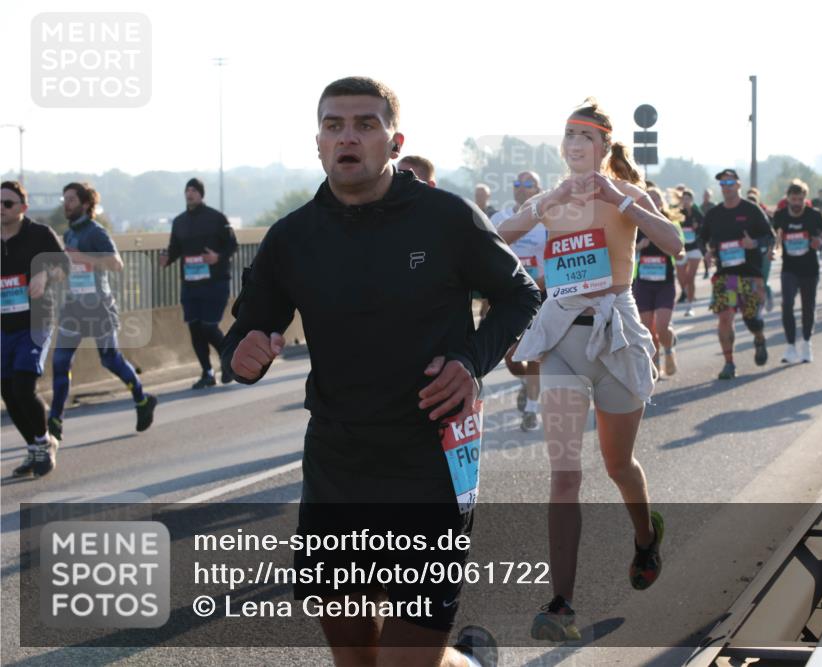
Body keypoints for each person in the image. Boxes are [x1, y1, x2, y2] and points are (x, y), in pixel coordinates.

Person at [223, 76, 540, 667]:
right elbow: (247, 332)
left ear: (394, 141)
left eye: (365, 124)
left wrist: (471, 365)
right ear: (317, 142)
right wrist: (242, 356)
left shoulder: (446, 218)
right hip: (338, 461)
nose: (348, 137)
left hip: (430, 456)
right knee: (357, 661)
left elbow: (521, 294)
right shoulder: (292, 238)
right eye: (334, 125)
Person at [499, 98, 682, 641]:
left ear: (604, 147)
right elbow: (500, 238)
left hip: (616, 335)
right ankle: (560, 604)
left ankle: (646, 536)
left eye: (586, 138)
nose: (576, 145)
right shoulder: (549, 199)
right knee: (565, 474)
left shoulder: (628, 194)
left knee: (617, 463)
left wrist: (620, 199)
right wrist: (546, 202)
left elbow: (673, 243)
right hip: (561, 339)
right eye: (569, 137)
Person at [48, 183, 157, 443]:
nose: (66, 204)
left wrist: (83, 257)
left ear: (85, 204)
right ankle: (54, 421)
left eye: (71, 200)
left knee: (109, 360)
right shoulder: (70, 234)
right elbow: (71, 267)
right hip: (74, 307)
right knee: (61, 362)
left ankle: (142, 400)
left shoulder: (96, 232)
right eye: (65, 199)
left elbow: (116, 264)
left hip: (99, 307)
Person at [1, 181, 69, 478]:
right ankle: (33, 447)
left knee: (22, 385)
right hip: (4, 325)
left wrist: (43, 273)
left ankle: (45, 442)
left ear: (23, 208)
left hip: (36, 321)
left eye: (8, 204)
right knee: (7, 391)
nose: (1, 209)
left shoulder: (39, 234)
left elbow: (64, 267)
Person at [159, 178, 238, 389]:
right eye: (187, 190)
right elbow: (175, 249)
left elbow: (232, 244)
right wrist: (167, 258)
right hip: (190, 284)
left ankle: (228, 363)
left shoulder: (216, 218)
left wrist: (218, 256)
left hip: (215, 282)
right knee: (195, 328)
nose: (189, 194)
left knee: (209, 326)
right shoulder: (179, 222)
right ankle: (207, 373)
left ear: (201, 194)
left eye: (193, 190)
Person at [700, 170, 774, 379]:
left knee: (752, 319)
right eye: (723, 183)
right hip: (726, 275)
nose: (726, 186)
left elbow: (770, 236)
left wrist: (755, 243)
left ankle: (759, 338)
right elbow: (701, 237)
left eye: (730, 182)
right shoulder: (714, 214)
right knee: (725, 317)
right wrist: (706, 251)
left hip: (750, 273)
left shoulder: (751, 210)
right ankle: (729, 363)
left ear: (738, 185)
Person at [493, 171, 545, 431]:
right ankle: (526, 383)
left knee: (535, 354)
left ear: (537, 189)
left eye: (528, 184)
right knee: (512, 358)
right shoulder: (499, 219)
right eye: (517, 184)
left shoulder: (548, 222)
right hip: (507, 296)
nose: (522, 189)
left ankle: (532, 410)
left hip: (540, 295)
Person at [772, 180, 822, 363]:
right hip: (789, 267)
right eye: (794, 198)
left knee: (808, 306)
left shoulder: (812, 215)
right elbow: (774, 236)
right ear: (788, 198)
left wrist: (821, 241)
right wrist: (773, 250)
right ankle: (790, 346)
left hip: (809, 268)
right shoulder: (781, 215)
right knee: (787, 305)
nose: (797, 202)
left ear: (805, 198)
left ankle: (806, 343)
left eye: (800, 198)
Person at [633, 187, 685, 376]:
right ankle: (655, 362)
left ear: (662, 203)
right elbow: (625, 252)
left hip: (665, 283)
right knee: (648, 328)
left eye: (657, 199)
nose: (653, 202)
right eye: (649, 199)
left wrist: (668, 248)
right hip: (644, 283)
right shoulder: (636, 223)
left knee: (662, 326)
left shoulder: (670, 224)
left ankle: (669, 350)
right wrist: (640, 246)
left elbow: (680, 253)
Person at [675, 188, 704, 317]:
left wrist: (698, 229)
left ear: (692, 200)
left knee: (690, 277)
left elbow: (704, 230)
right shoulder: (678, 213)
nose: (685, 201)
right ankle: (687, 292)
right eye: (683, 199)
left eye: (688, 199)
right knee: (681, 278)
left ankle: (690, 306)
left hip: (695, 248)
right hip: (681, 249)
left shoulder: (698, 214)